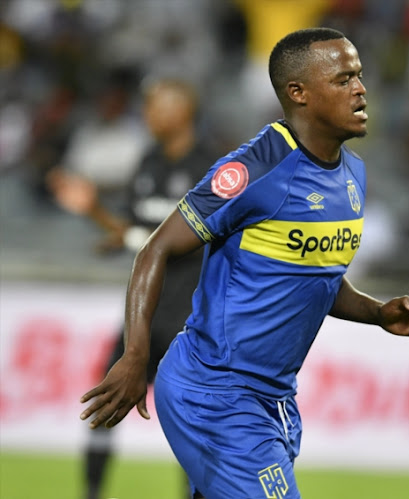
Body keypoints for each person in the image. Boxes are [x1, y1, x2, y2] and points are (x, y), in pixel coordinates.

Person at [79, 28, 409, 499]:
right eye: (344, 78)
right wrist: (135, 354)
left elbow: (316, 273)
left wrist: (376, 312)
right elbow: (155, 249)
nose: (360, 89)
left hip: (274, 400)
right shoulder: (255, 170)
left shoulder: (353, 174)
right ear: (299, 93)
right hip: (215, 392)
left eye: (360, 76)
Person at [50, 78, 213, 499]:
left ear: (182, 111)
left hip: (188, 320)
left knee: (191, 425)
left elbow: (176, 245)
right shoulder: (148, 161)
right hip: (142, 319)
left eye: (156, 107)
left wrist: (117, 230)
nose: (147, 115)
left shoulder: (211, 168)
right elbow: (138, 232)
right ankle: (90, 492)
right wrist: (97, 216)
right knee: (104, 408)